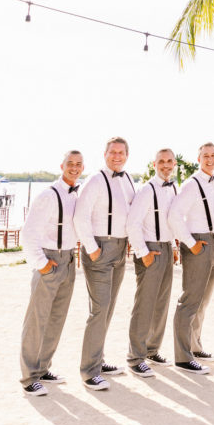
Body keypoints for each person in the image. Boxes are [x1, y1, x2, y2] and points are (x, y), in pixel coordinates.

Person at [20, 150, 84, 396]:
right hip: (50, 259)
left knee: (56, 319)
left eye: (79, 164)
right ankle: (28, 377)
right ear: (62, 165)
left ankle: (43, 368)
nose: (74, 168)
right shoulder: (48, 195)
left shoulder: (78, 194)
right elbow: (29, 233)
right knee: (37, 320)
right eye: (70, 164)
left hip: (69, 259)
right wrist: (41, 263)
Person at [75, 136, 135, 390]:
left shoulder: (129, 179)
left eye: (121, 152)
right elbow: (80, 217)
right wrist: (93, 249)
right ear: (105, 154)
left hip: (120, 248)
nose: (117, 156)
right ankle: (89, 372)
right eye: (113, 152)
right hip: (101, 247)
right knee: (99, 310)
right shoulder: (95, 180)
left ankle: (97, 360)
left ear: (127, 155)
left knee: (108, 309)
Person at [168, 141, 214, 374]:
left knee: (204, 301)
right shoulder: (192, 185)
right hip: (199, 243)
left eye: (213, 155)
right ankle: (182, 357)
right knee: (189, 301)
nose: (209, 159)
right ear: (199, 159)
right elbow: (174, 216)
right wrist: (191, 243)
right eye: (205, 156)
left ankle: (195, 345)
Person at [126, 148, 178, 378]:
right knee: (145, 304)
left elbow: (171, 221)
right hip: (150, 248)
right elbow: (133, 223)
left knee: (161, 303)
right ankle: (135, 357)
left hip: (166, 247)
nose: (165, 165)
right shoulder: (147, 190)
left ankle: (151, 350)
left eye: (169, 161)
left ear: (174, 164)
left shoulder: (173, 187)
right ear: (154, 164)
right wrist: (143, 252)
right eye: (161, 162)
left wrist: (174, 247)